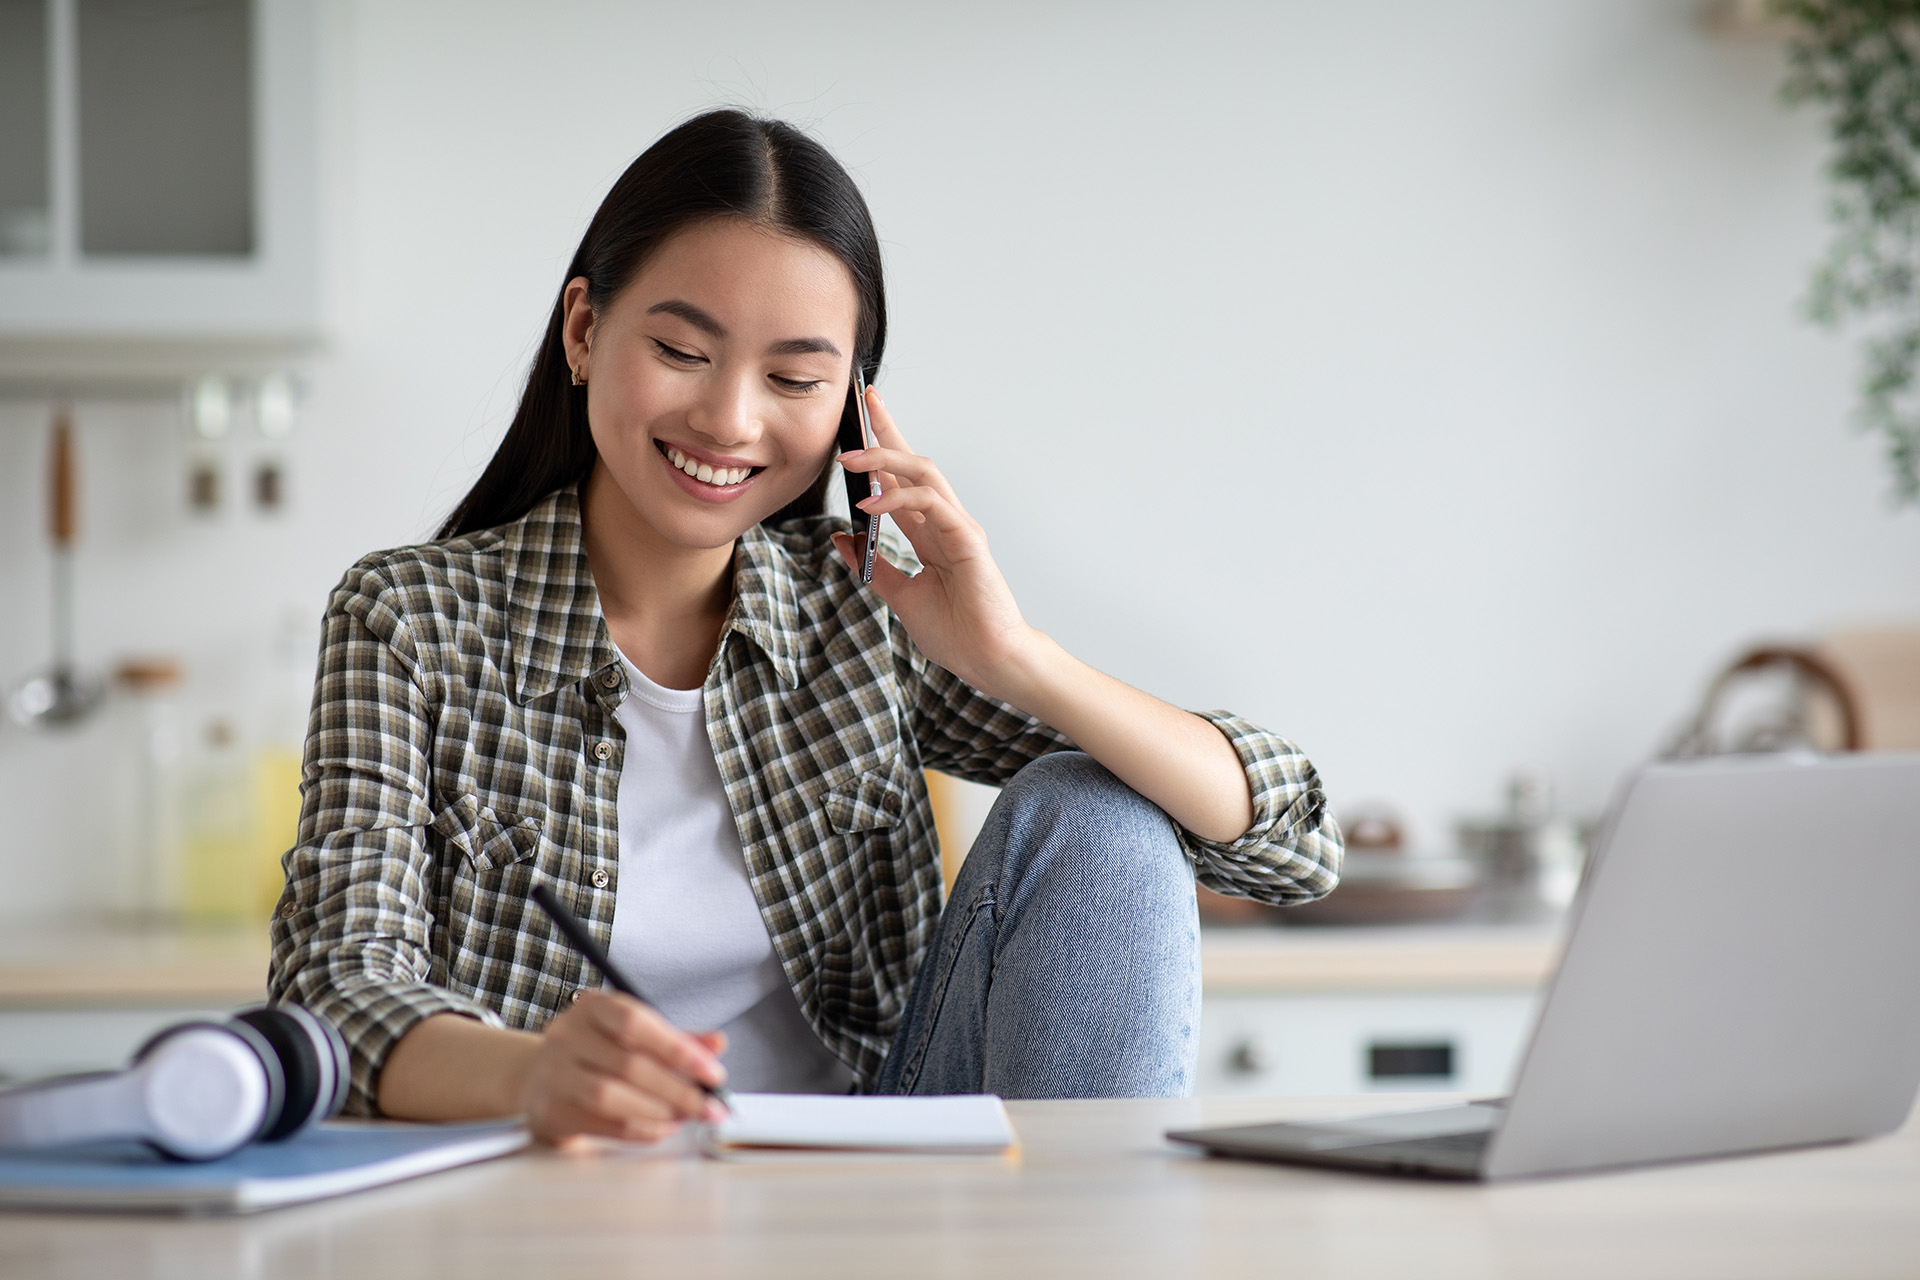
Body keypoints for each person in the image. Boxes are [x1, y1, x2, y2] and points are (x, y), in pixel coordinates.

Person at [269, 109, 1341, 1145]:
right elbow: (332, 988)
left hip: (872, 1185)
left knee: (1097, 809)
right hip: (563, 1189)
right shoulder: (411, 618)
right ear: (585, 331)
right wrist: (532, 1072)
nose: (731, 419)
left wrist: (1017, 657)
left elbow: (1293, 844)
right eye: (684, 351)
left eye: (793, 377)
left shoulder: (862, 617)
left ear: (851, 408)